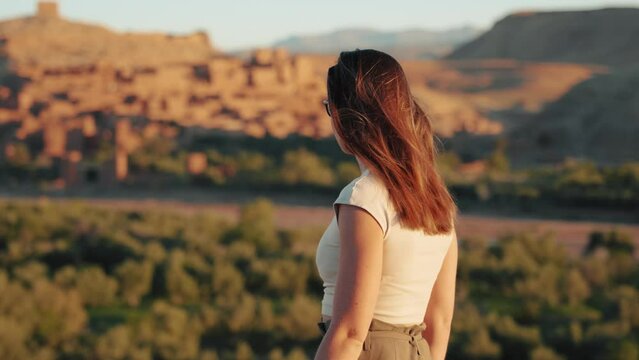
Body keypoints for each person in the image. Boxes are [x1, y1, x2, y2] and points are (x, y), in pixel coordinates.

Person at [314, 49, 458, 360]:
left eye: (330, 107)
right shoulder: (434, 198)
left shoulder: (363, 198)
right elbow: (439, 320)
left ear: (345, 113)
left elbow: (350, 333)